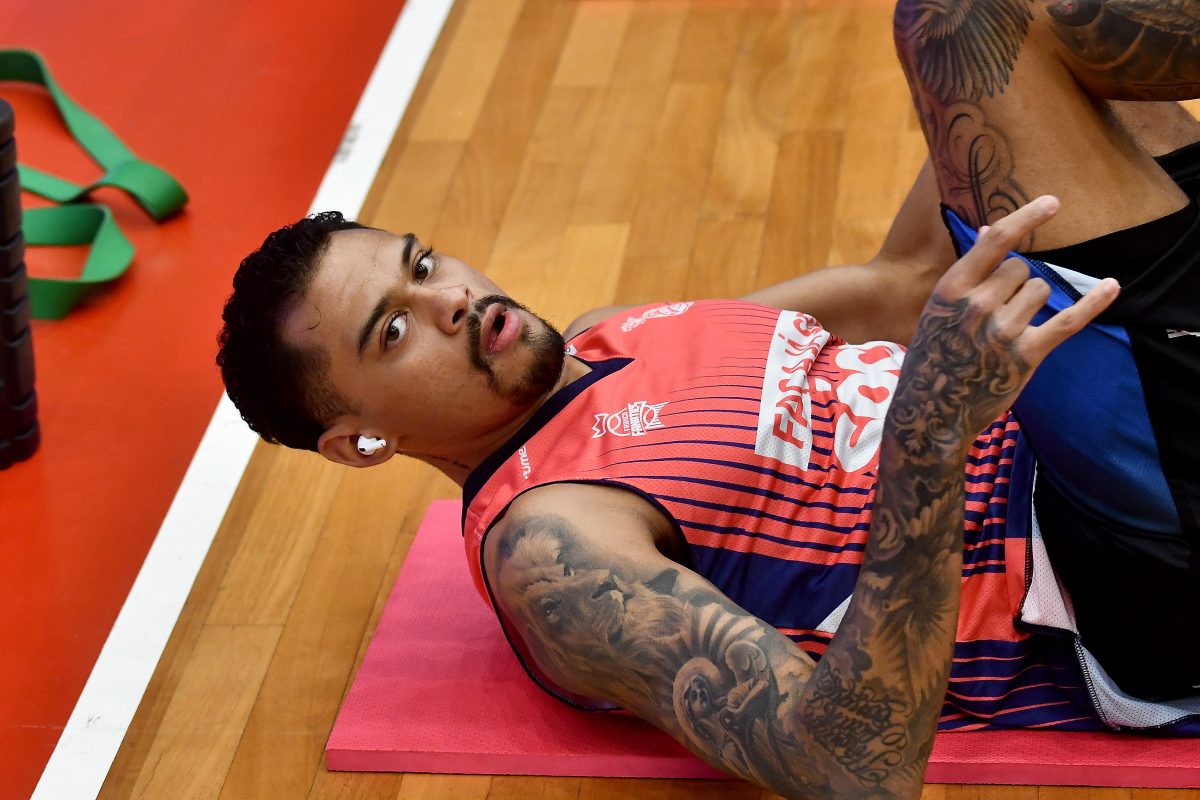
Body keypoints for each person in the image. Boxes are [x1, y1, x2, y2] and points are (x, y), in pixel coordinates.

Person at [216, 1, 1200, 796]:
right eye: (393, 331)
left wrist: (974, 108)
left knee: (1003, 41)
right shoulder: (551, 548)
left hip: (1099, 445)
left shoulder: (608, 334)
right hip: (1116, 573)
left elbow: (896, 286)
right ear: (359, 441)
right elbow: (850, 767)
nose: (451, 302)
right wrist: (930, 432)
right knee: (965, 20)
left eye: (424, 264)